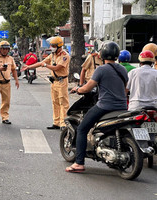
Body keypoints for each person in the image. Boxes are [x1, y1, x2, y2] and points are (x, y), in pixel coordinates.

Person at [65, 41, 128, 173]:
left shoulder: (101, 69)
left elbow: (88, 87)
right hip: (122, 107)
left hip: (105, 106)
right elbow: (124, 89)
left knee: (82, 129)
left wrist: (78, 89)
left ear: (102, 54)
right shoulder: (122, 69)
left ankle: (79, 163)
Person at [21, 36, 70, 129]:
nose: (52, 47)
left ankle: (63, 123)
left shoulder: (64, 56)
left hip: (62, 81)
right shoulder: (52, 55)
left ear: (59, 46)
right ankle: (56, 122)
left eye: (53, 46)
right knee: (55, 102)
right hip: (54, 81)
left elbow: (57, 67)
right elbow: (41, 63)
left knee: (63, 102)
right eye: (51, 45)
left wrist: (46, 65)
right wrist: (29, 67)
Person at [0, 41, 20, 125]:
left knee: (6, 101)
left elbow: (13, 69)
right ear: (0, 49)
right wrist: (0, 69)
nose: (5, 51)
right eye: (3, 49)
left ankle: (5, 117)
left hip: (7, 83)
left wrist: (16, 80)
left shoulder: (10, 59)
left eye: (6, 49)